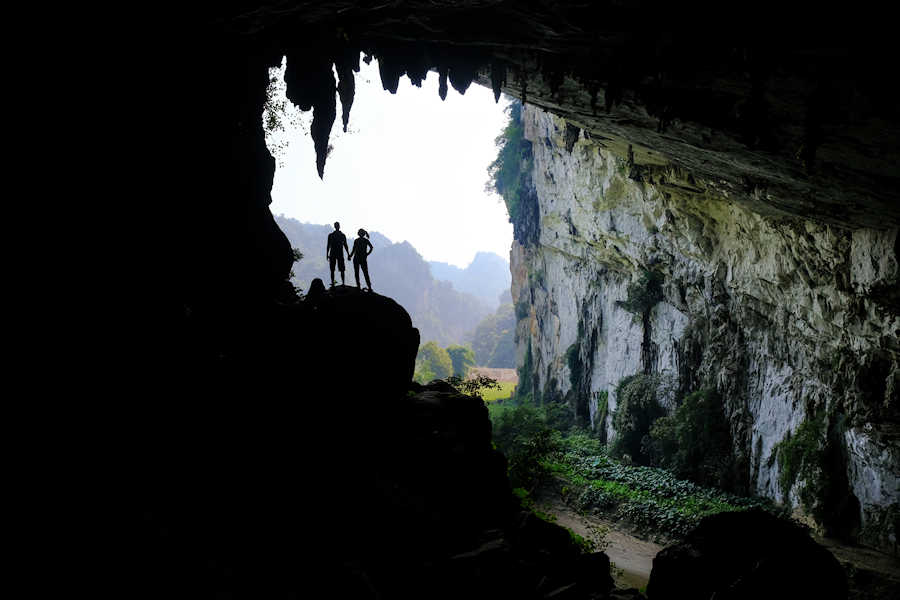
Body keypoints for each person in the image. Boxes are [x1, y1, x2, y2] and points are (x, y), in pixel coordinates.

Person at [326, 222, 350, 286]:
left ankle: (342, 283)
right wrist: (327, 254)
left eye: (337, 225)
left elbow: (345, 245)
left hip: (336, 254)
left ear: (339, 226)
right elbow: (328, 245)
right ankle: (337, 283)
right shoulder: (334, 235)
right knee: (334, 269)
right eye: (336, 225)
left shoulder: (339, 235)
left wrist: (348, 254)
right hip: (336, 254)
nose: (337, 226)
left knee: (339, 269)